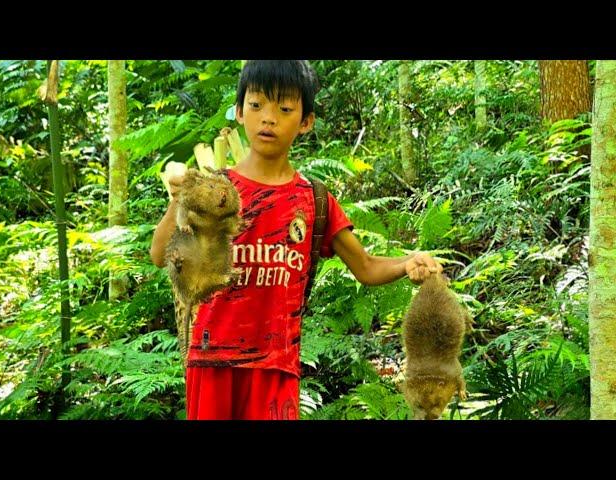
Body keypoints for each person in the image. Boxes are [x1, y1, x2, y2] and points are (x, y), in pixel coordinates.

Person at [150, 60, 442, 420]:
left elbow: (365, 267)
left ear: (306, 121)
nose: (268, 118)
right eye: (256, 106)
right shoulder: (215, 190)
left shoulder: (313, 200)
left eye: (284, 108)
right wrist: (179, 198)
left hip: (277, 367)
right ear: (239, 112)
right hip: (213, 362)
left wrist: (407, 263)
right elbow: (160, 254)